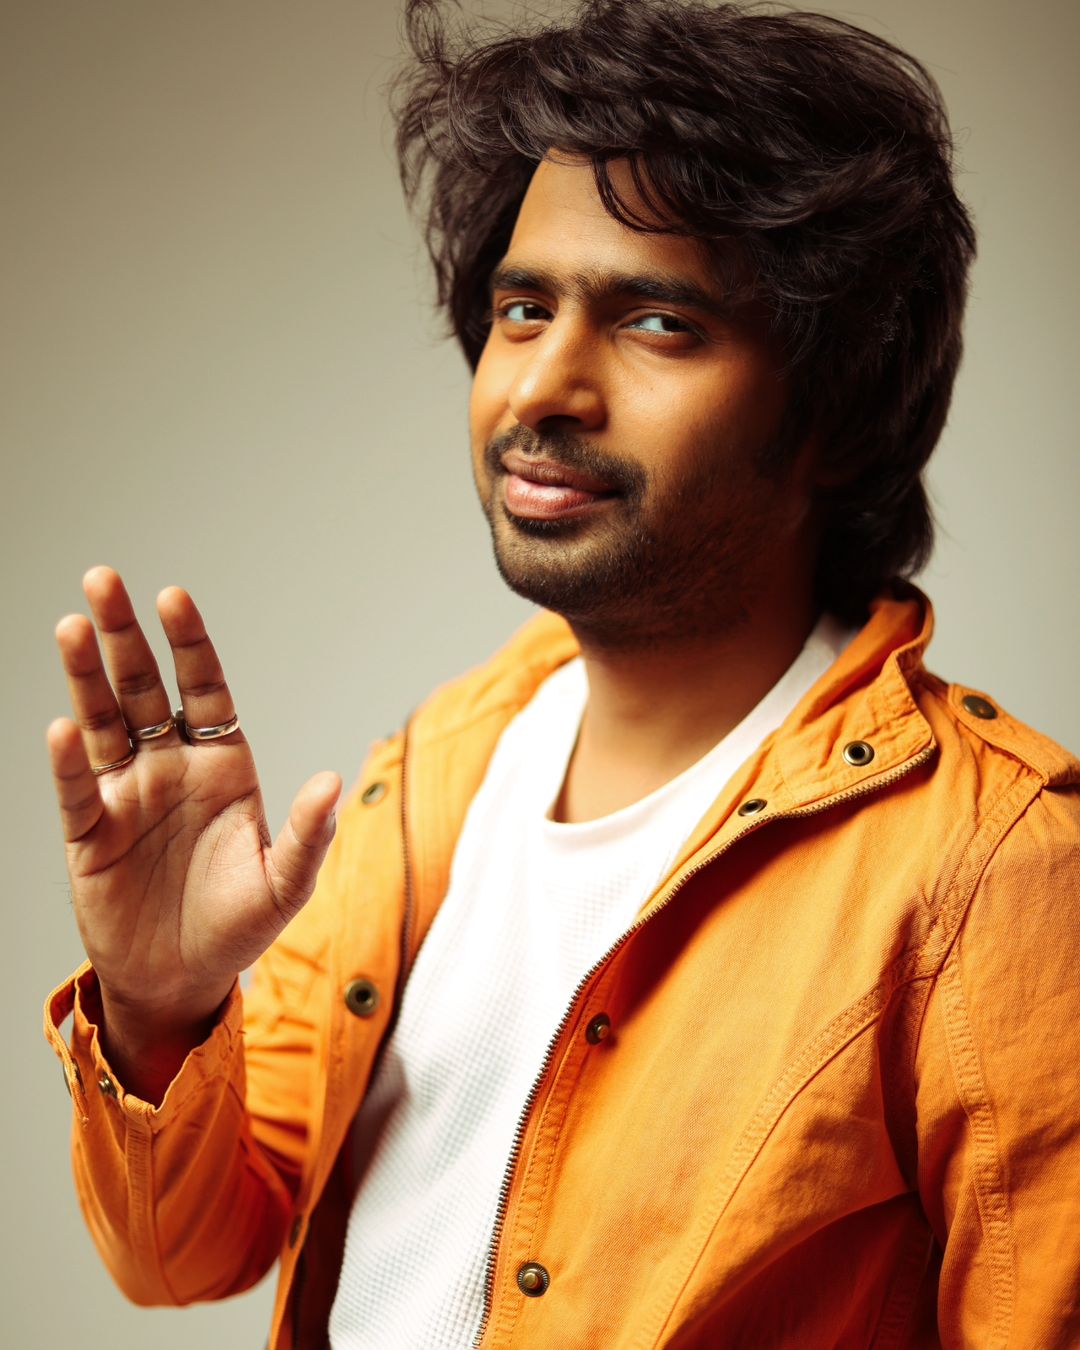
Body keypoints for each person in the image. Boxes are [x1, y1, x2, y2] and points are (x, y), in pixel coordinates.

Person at [43, 1, 1080, 1346]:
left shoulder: (998, 865)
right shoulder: (447, 759)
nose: (542, 388)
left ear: (837, 408)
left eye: (658, 323)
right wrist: (160, 1009)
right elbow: (185, 1254)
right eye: (522, 309)